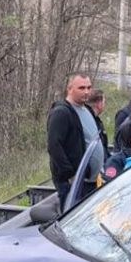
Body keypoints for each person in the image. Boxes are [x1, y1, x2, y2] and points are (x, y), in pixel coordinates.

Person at [46, 73, 93, 211]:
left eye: (89, 87)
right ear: (70, 89)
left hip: (87, 180)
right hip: (71, 182)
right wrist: (70, 174)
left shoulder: (85, 109)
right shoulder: (61, 112)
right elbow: (54, 145)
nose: (86, 92)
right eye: (81, 88)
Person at [86, 89, 109, 158]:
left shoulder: (95, 120)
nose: (104, 105)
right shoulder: (91, 122)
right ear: (99, 103)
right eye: (104, 102)